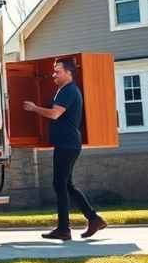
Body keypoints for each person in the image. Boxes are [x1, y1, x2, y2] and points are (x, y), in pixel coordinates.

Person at [23, 58, 106, 240]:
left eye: (58, 71)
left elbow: (54, 114)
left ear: (69, 73)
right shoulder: (64, 90)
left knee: (60, 184)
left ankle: (64, 229)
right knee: (66, 184)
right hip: (67, 144)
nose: (54, 74)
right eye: (54, 71)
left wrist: (34, 108)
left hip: (67, 144)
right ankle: (93, 218)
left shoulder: (68, 90)